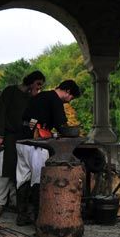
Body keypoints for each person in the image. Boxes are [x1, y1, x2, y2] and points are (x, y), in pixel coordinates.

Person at [15, 79, 81, 226]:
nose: (69, 102)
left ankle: (21, 216)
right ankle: (37, 217)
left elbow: (26, 116)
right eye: (71, 98)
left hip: (21, 140)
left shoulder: (40, 96)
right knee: (38, 178)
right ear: (68, 91)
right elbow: (61, 125)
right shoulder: (55, 100)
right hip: (36, 142)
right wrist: (73, 134)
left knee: (23, 178)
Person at [0, 71, 46, 220]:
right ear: (31, 81)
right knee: (4, 169)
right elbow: (0, 112)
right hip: (8, 136)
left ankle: (15, 203)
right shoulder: (11, 91)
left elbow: (34, 118)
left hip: (24, 139)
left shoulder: (33, 99)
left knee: (21, 172)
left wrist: (33, 128)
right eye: (38, 84)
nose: (39, 88)